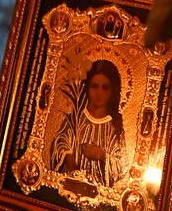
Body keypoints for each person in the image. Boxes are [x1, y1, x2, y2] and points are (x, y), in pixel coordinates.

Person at [50, 59, 128, 188]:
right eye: (94, 86)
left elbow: (121, 166)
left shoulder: (115, 127)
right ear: (87, 88)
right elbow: (60, 144)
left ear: (112, 91)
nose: (99, 93)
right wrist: (68, 157)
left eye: (105, 88)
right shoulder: (75, 118)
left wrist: (102, 156)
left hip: (99, 190)